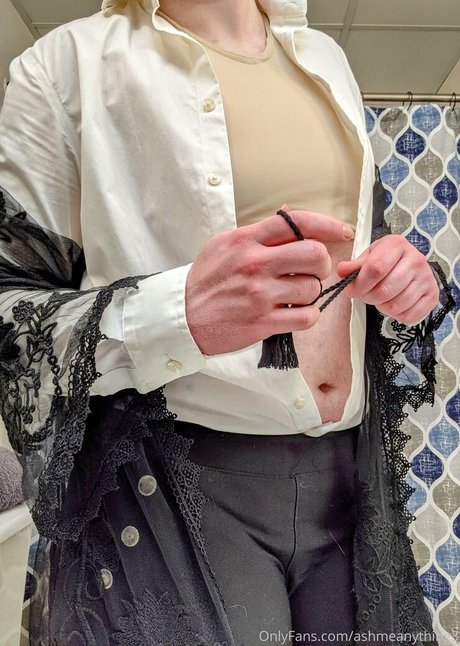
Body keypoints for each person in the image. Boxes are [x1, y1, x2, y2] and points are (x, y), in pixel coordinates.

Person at [0, 0, 448, 644]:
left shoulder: (325, 57)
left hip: (349, 481)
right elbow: (11, 313)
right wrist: (177, 312)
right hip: (179, 482)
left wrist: (403, 275)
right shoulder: (64, 63)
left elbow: (360, 236)